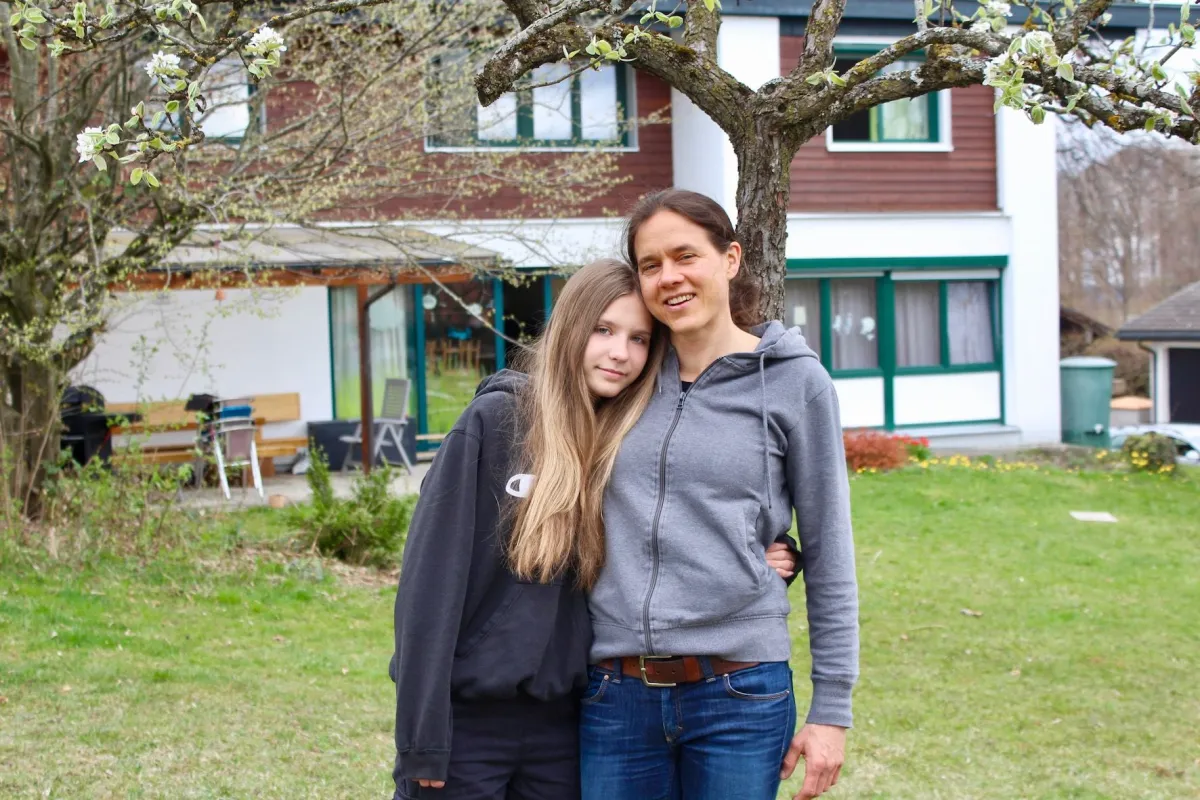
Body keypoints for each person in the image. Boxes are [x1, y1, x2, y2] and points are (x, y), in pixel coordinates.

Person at [389, 258, 799, 800]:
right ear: (570, 329)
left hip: (567, 724)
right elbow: (429, 585)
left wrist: (761, 554)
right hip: (468, 725)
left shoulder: (621, 440)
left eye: (638, 339)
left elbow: (667, 530)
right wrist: (421, 736)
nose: (619, 353)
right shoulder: (495, 423)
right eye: (603, 330)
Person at [580, 190, 860, 800]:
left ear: (730, 258)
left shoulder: (794, 382)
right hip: (616, 695)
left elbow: (831, 551)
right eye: (650, 265)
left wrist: (831, 710)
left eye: (686, 256)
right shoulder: (622, 378)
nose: (669, 277)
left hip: (740, 694)